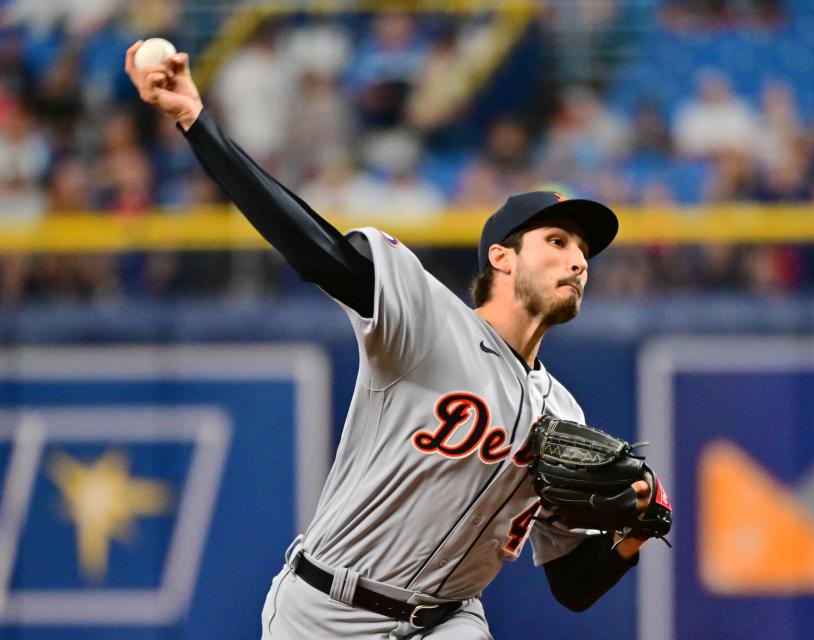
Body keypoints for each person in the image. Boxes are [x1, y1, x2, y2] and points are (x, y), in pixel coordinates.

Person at [125, 39, 656, 639]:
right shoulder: (427, 319)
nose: (579, 261)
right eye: (558, 242)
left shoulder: (562, 412)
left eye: (584, 251)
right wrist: (198, 124)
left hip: (449, 621)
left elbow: (572, 586)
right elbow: (312, 248)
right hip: (326, 609)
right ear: (502, 257)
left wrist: (630, 535)